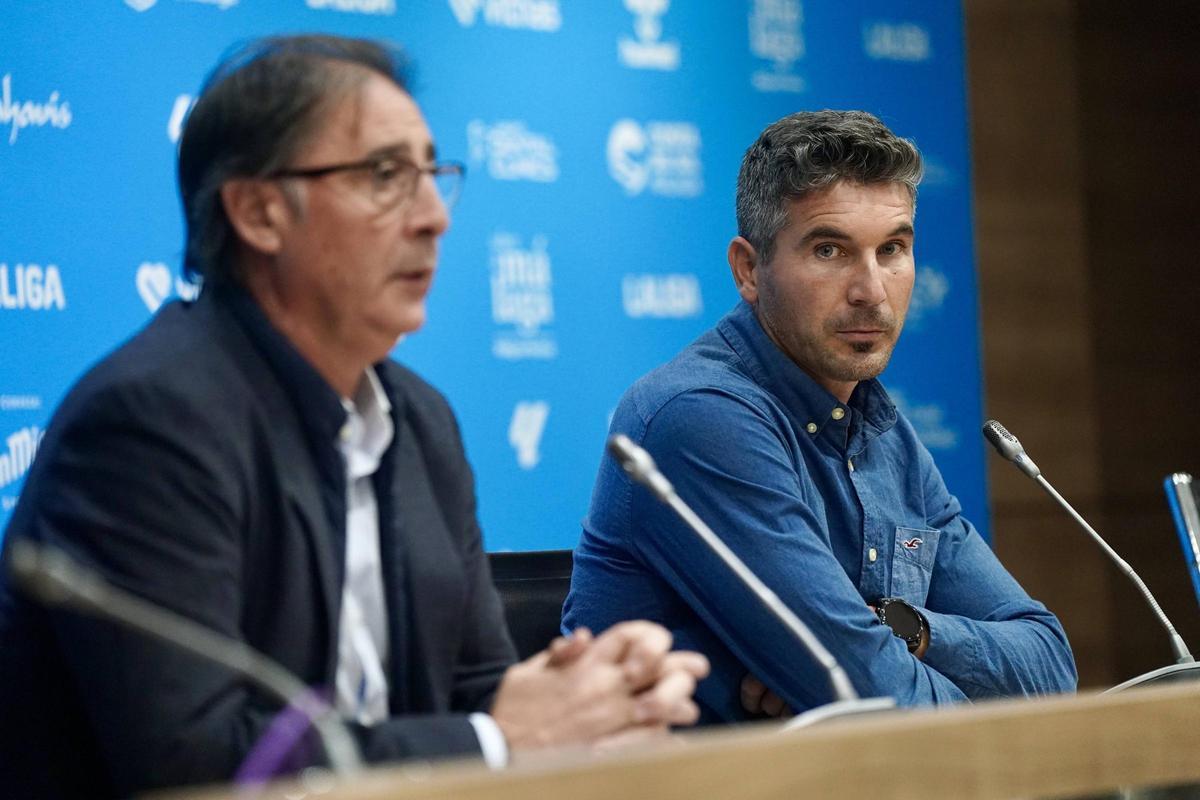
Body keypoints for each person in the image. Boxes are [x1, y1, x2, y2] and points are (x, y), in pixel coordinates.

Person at [0, 35, 708, 798]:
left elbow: (477, 690)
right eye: (384, 176)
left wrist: (590, 701)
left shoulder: (421, 422)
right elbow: (193, 763)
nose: (433, 217)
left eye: (432, 175)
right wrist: (500, 739)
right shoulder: (151, 423)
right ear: (259, 212)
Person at [562, 110, 1076, 723]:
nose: (871, 291)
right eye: (830, 251)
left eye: (892, 250)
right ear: (748, 270)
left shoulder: (881, 430)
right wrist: (884, 663)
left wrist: (904, 630)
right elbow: (881, 703)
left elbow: (1051, 669)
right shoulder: (700, 417)